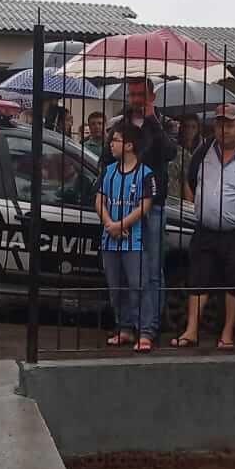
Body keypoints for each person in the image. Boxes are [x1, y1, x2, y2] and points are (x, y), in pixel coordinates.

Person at [172, 104, 235, 350]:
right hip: (206, 229)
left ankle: (227, 332)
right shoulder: (204, 151)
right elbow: (191, 178)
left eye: (229, 125)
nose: (224, 130)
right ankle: (191, 330)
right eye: (219, 124)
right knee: (198, 279)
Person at [101, 78, 173, 349]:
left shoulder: (161, 122)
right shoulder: (121, 125)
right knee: (121, 272)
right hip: (121, 204)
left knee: (151, 271)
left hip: (151, 206)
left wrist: (153, 119)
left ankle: (149, 327)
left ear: (152, 96)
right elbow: (106, 162)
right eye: (132, 94)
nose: (136, 99)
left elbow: (169, 152)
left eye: (141, 94)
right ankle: (127, 326)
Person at [97, 124, 154, 351]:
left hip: (135, 239)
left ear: (130, 145)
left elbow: (145, 206)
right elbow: (99, 201)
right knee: (115, 287)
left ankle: (145, 331)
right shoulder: (109, 171)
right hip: (110, 238)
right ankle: (124, 328)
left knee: (138, 285)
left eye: (116, 140)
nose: (111, 144)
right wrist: (110, 224)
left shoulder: (145, 173)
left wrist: (122, 224)